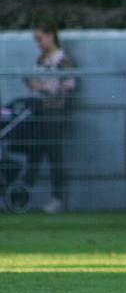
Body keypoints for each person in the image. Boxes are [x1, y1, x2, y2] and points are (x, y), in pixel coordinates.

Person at [23, 23, 76, 214]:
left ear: (51, 36)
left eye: (40, 38)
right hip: (39, 110)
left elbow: (69, 84)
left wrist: (45, 89)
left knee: (54, 153)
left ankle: (58, 198)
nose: (38, 44)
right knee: (34, 151)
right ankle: (22, 195)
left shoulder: (62, 59)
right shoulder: (40, 59)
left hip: (54, 110)